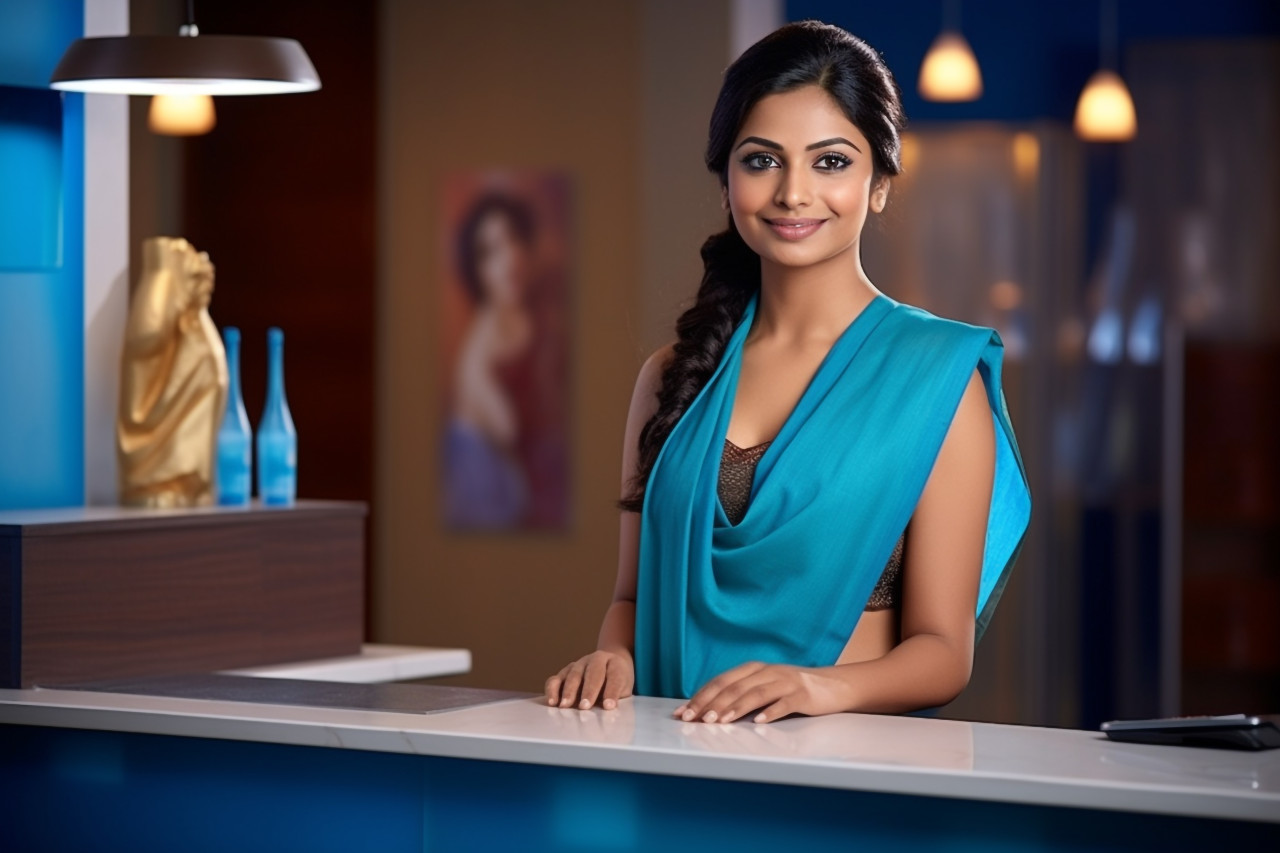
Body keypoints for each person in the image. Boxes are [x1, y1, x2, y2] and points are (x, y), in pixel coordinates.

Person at [545, 21, 1031, 723]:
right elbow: (630, 597)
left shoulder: (937, 379)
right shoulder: (669, 375)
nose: (793, 193)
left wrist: (816, 687)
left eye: (830, 162)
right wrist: (616, 659)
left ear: (881, 183)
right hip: (672, 763)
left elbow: (943, 650)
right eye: (761, 160)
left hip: (844, 779)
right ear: (726, 182)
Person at [443, 193, 536, 529]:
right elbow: (511, 429)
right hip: (485, 496)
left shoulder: (524, 317)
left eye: (512, 239)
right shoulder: (478, 353)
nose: (509, 257)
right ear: (477, 271)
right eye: (490, 252)